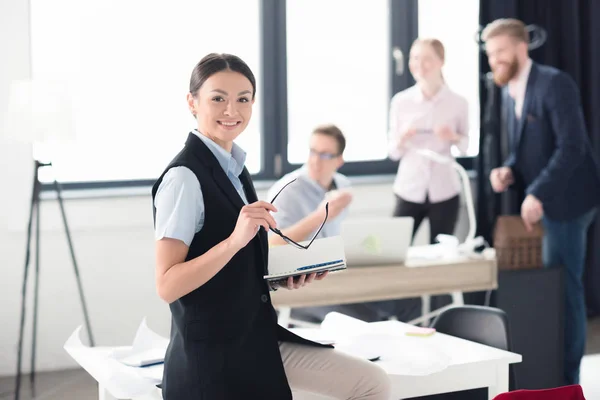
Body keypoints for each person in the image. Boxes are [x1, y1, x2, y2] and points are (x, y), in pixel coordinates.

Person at [151, 53, 391, 400]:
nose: (231, 110)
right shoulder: (184, 179)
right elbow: (167, 284)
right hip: (215, 357)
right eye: (218, 98)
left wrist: (278, 277)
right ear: (192, 102)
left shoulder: (235, 169)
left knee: (372, 381)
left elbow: (235, 267)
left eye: (243, 99)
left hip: (255, 338)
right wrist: (235, 241)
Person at [482, 18, 600, 385]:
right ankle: (547, 371)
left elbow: (572, 147)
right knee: (548, 292)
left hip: (569, 201)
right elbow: (529, 150)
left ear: (521, 48)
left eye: (500, 52)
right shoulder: (508, 89)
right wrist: (511, 172)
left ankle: (568, 380)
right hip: (543, 200)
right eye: (490, 54)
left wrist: (537, 193)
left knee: (566, 290)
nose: (494, 60)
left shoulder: (554, 83)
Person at [267, 125, 391, 322]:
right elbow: (273, 244)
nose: (315, 161)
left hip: (338, 278)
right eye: (312, 152)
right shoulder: (287, 190)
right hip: (301, 286)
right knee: (373, 318)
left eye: (325, 155)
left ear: (339, 160)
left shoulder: (342, 186)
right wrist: (320, 216)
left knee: (400, 303)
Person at [387, 38, 469, 245]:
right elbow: (393, 153)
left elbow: (465, 147)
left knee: (442, 254)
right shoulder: (401, 102)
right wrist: (402, 138)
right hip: (409, 189)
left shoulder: (458, 103)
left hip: (445, 191)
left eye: (426, 59)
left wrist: (453, 137)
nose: (419, 64)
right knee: (395, 248)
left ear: (441, 61)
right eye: (415, 58)